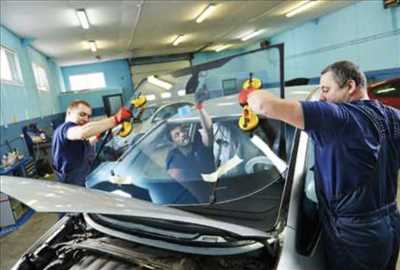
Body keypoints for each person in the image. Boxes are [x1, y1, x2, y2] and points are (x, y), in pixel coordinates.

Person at [247, 60, 400, 270]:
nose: (322, 97)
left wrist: (250, 93)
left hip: (354, 238)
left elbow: (264, 106)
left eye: (326, 90)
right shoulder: (393, 116)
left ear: (350, 87)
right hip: (390, 224)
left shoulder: (338, 117)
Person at [52, 100, 132, 186]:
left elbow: (82, 146)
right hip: (75, 183)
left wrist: (97, 136)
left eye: (88, 116)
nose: (86, 119)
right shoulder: (65, 128)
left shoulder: (71, 133)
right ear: (69, 112)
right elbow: (81, 133)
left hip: (84, 177)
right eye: (82, 114)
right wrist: (115, 119)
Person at [165, 86, 215, 202]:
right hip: (197, 199)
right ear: (173, 142)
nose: (182, 135)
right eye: (177, 135)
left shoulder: (199, 143)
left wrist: (200, 107)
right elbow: (183, 185)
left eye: (182, 131)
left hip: (217, 189)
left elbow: (208, 131)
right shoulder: (173, 158)